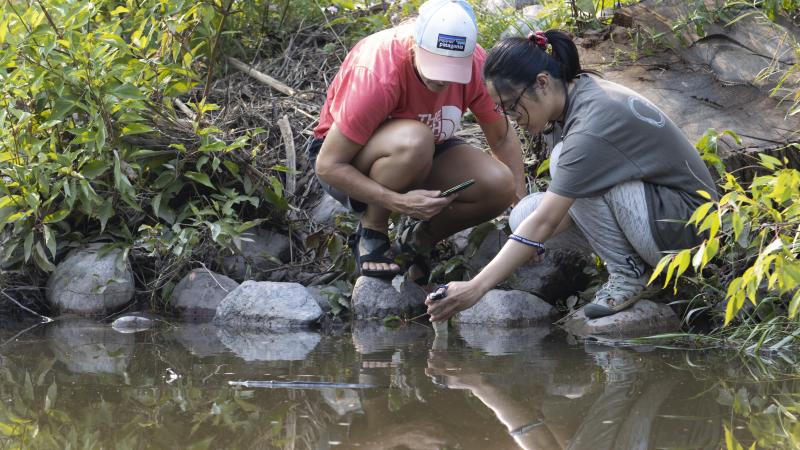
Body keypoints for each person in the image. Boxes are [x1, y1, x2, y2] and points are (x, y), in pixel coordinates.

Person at [426, 30, 718, 319]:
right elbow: (545, 218)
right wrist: (527, 241)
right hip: (651, 217)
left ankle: (628, 275)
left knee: (562, 172)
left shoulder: (592, 123)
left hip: (692, 235)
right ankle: (633, 267)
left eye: (513, 107)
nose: (512, 119)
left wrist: (476, 288)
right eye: (502, 110)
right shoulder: (572, 95)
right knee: (524, 215)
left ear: (542, 83)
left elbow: (550, 217)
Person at [310, 0, 525, 282]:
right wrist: (397, 202)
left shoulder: (477, 65)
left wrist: (523, 217)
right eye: (437, 69)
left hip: (423, 149)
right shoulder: (379, 70)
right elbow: (327, 165)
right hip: (350, 159)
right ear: (416, 45)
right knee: (415, 140)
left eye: (453, 72)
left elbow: (503, 138)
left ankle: (418, 241)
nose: (445, 82)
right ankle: (372, 230)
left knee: (500, 183)